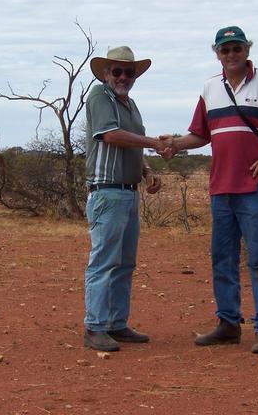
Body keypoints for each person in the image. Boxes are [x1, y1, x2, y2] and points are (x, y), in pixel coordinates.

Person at [161, 26, 258, 353]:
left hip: (255, 187)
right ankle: (228, 323)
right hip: (221, 188)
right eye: (225, 49)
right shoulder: (209, 88)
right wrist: (175, 144)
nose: (231, 55)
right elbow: (201, 135)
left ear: (247, 50)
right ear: (216, 52)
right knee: (222, 258)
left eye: (237, 48)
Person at [83, 45, 167, 352]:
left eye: (128, 72)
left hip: (128, 193)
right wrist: (155, 143)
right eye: (116, 71)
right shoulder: (99, 96)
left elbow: (131, 144)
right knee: (104, 261)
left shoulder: (130, 105)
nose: (122, 77)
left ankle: (116, 324)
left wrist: (146, 171)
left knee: (124, 263)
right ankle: (95, 326)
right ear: (106, 73)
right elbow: (111, 136)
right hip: (107, 191)